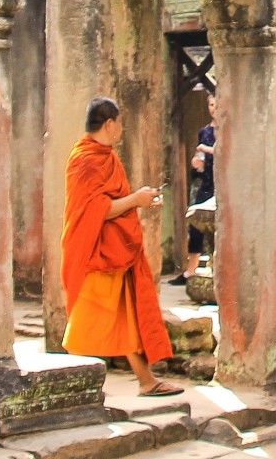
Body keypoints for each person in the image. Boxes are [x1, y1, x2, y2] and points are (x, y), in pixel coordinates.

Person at [62, 96, 179, 395]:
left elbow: (113, 203)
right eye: (120, 123)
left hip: (117, 251)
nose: (122, 129)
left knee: (125, 317)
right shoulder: (84, 160)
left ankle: (146, 380)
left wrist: (140, 200)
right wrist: (135, 200)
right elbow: (95, 210)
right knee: (85, 323)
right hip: (97, 252)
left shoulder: (106, 156)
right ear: (109, 123)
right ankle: (68, 386)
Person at [170, 94, 216, 285]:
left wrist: (209, 150)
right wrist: (197, 163)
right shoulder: (204, 132)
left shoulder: (230, 130)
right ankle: (191, 269)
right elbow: (200, 160)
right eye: (211, 104)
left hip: (226, 183)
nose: (214, 108)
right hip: (206, 182)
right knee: (195, 224)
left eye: (217, 104)